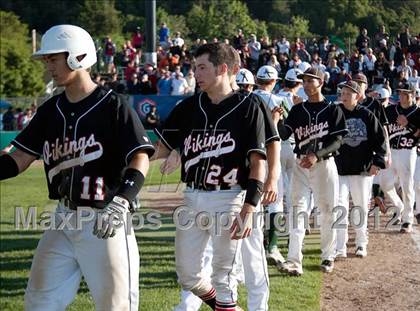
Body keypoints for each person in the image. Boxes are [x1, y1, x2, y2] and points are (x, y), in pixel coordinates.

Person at [0, 24, 155, 310]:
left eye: (53, 59)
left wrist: (122, 200)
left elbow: (140, 156)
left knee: (116, 305)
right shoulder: (50, 110)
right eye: (47, 60)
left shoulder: (113, 106)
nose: (48, 66)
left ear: (77, 57)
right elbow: (20, 159)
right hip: (63, 218)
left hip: (105, 217)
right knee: (39, 301)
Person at [152, 42, 266, 311]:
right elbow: (161, 149)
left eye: (202, 67)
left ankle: (226, 305)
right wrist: (130, 157)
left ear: (223, 68)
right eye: (194, 68)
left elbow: (257, 162)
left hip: (229, 196)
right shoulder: (187, 107)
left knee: (224, 276)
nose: (196, 74)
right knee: (188, 274)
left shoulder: (248, 106)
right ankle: (227, 308)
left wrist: (249, 207)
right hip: (192, 197)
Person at [277, 67, 348, 276]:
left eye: (310, 80)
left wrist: (317, 154)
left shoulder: (333, 109)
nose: (306, 84)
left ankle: (328, 256)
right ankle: (293, 261)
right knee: (297, 211)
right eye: (304, 81)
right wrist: (277, 120)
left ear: (321, 82)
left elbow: (338, 141)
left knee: (327, 211)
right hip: (300, 165)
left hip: (324, 164)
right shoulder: (298, 110)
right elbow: (283, 134)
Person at [334, 80, 386, 259]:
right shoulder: (336, 113)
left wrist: (377, 162)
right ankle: (340, 246)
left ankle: (361, 243)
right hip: (339, 169)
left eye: (349, 93)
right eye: (343, 93)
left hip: (362, 169)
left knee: (361, 207)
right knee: (339, 207)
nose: (345, 96)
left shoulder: (367, 114)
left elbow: (380, 140)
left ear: (357, 96)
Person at [380, 81, 420, 233]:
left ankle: (407, 219)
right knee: (385, 184)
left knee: (407, 185)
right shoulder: (391, 110)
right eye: (400, 92)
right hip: (391, 151)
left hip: (408, 151)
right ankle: (400, 206)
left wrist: (408, 125)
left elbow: (418, 134)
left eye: (405, 93)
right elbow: (383, 128)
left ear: (412, 95)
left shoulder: (417, 112)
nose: (402, 95)